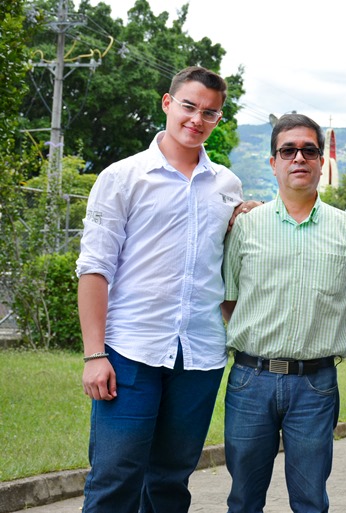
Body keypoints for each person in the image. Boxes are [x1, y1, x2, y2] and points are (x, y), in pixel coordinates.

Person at [76, 66, 244, 512]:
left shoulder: (227, 185)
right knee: (115, 478)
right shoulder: (122, 177)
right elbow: (94, 268)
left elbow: (228, 263)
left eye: (210, 112)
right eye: (189, 106)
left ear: (217, 119)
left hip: (200, 355)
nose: (197, 119)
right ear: (168, 104)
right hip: (131, 351)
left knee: (171, 482)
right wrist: (95, 355)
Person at [221, 113, 346, 513]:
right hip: (249, 381)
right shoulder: (246, 226)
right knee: (243, 499)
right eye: (287, 150)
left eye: (309, 150)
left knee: (310, 499)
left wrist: (315, 333)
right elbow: (228, 297)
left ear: (321, 161)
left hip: (315, 384)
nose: (299, 158)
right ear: (273, 161)